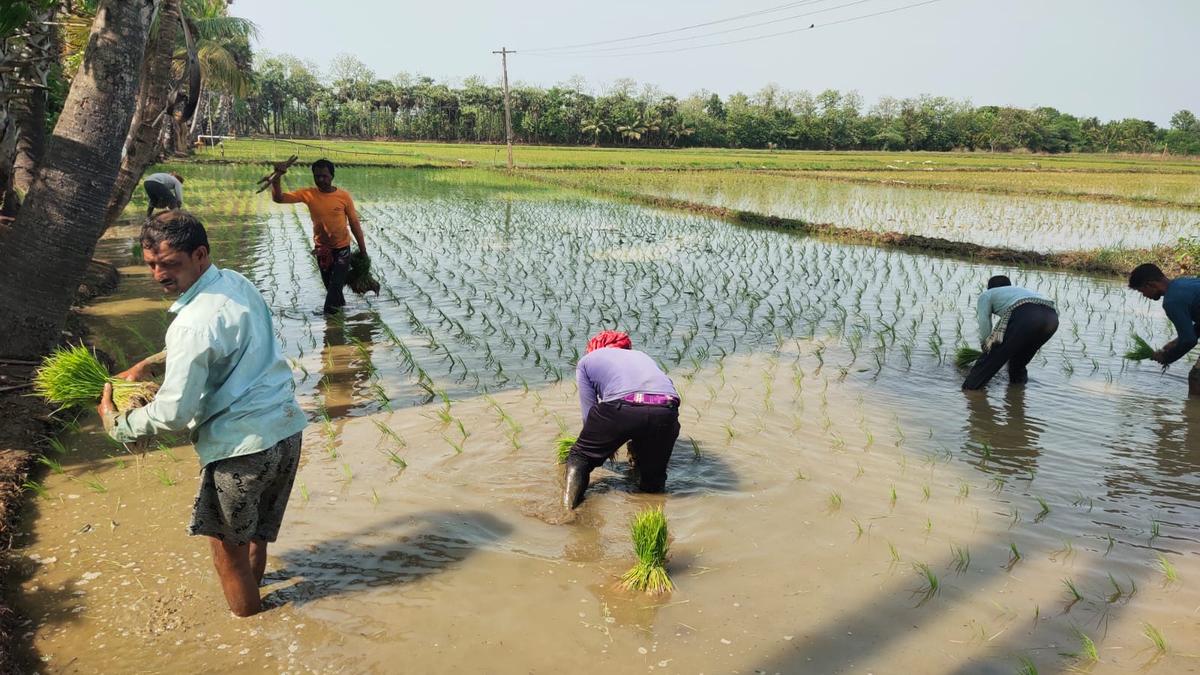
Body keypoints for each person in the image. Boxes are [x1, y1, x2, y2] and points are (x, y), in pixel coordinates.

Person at [96, 211, 306, 617]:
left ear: (200, 255)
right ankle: (257, 597)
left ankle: (251, 630)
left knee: (228, 557)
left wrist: (118, 423)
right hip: (286, 432)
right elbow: (221, 343)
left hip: (240, 452)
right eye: (152, 264)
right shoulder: (236, 283)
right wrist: (150, 365)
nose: (159, 275)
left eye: (170, 264)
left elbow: (175, 413)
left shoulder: (191, 324)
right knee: (255, 537)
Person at [563, 330, 681, 509]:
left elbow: (590, 411)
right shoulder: (641, 356)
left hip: (623, 405)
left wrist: (601, 445)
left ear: (593, 348)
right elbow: (659, 392)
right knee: (653, 476)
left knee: (579, 458)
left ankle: (568, 512)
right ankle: (652, 518)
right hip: (667, 408)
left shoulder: (587, 361)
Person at [269, 158, 367, 315]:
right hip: (322, 251)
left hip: (342, 249)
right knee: (332, 289)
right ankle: (341, 314)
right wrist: (277, 178)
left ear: (332, 176)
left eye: (325, 176)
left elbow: (355, 224)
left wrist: (363, 251)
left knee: (334, 287)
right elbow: (279, 199)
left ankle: (330, 321)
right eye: (317, 176)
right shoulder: (309, 194)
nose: (321, 179)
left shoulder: (343, 196)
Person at [962, 275, 1058, 390]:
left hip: (1027, 315)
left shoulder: (987, 294)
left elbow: (984, 321)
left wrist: (986, 346)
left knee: (991, 358)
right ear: (1008, 286)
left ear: (990, 287)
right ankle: (1017, 391)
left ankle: (970, 390)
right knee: (1018, 363)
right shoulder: (1020, 291)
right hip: (1052, 319)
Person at [1128, 263, 1200, 397]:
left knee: (1197, 379)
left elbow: (1190, 340)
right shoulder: (1183, 283)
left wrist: (1167, 357)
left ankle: (1193, 416)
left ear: (1151, 285)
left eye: (1141, 291)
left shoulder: (1171, 301)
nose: (1144, 295)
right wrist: (1176, 342)